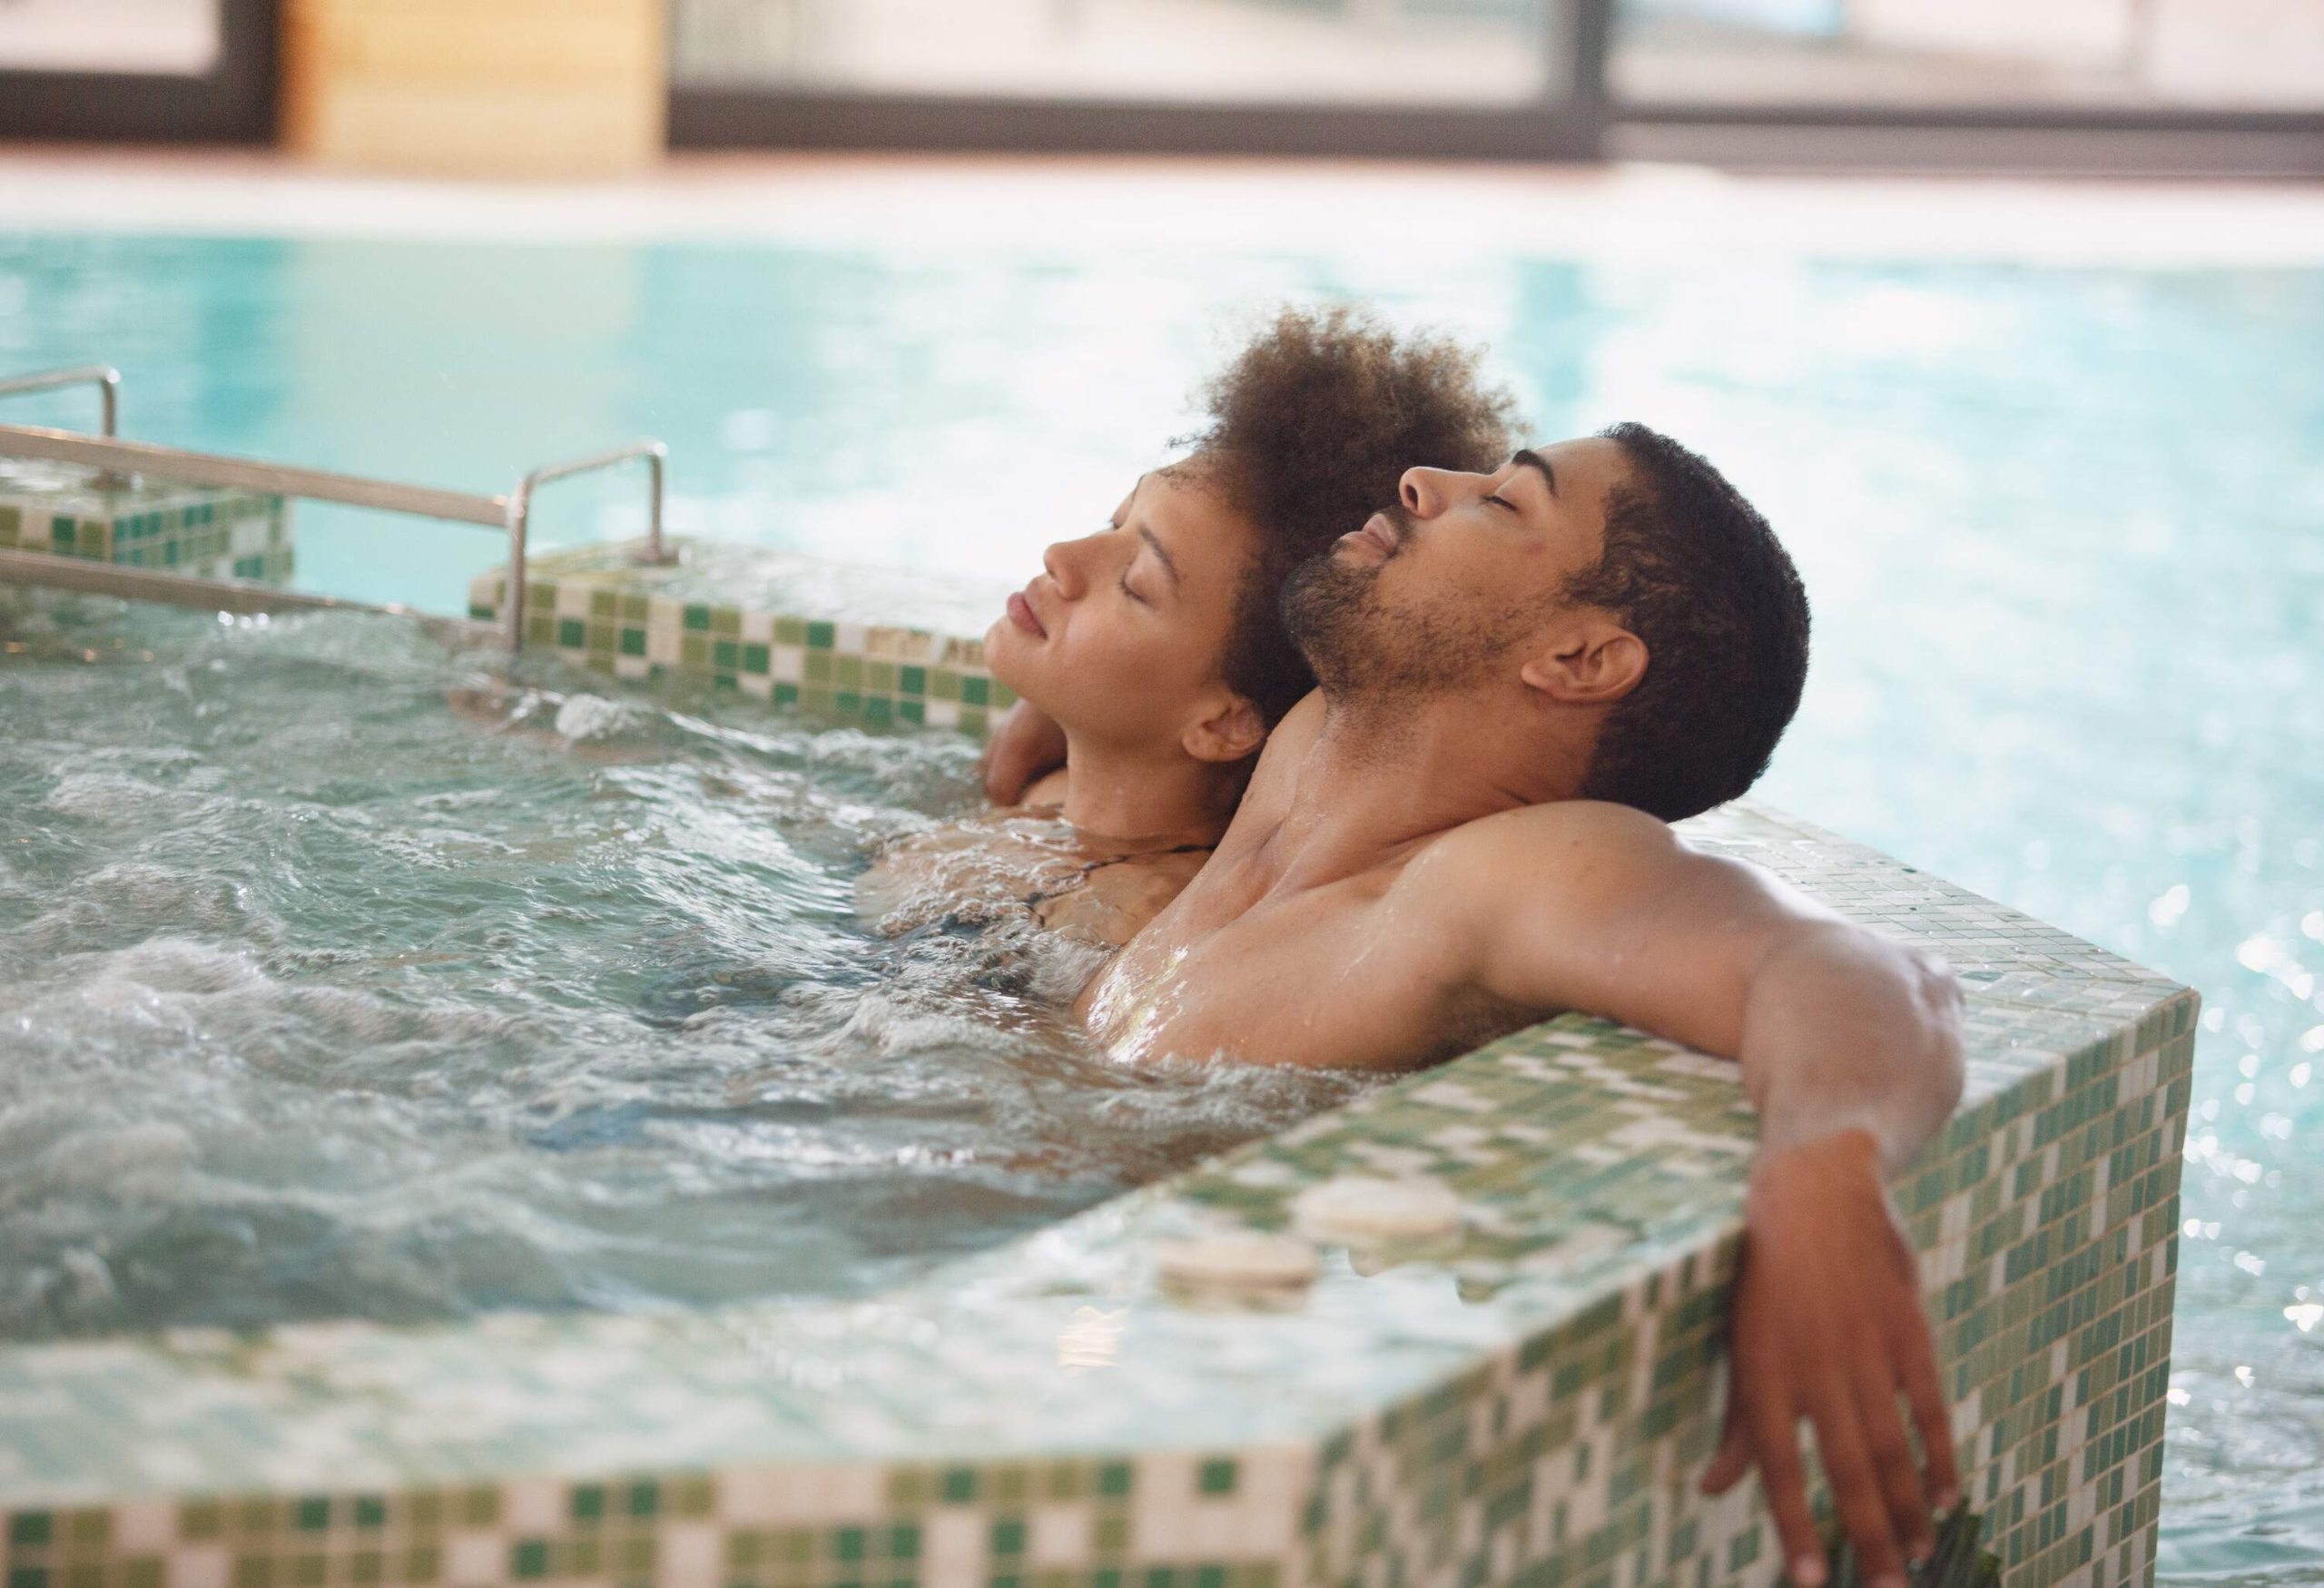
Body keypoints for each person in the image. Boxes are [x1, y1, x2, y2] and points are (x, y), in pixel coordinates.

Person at [1035, 427, 1965, 1588]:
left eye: (1507, 499)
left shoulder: (1498, 879)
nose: (1424, 480)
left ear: (1578, 660)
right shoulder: (1321, 737)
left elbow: (1867, 975)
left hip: (1132, 1343)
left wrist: (1827, 1164)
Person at [859, 306, 1516, 947]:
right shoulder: (1045, 795)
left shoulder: (1128, 927)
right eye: (1114, 522)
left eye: (1137, 582)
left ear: (1225, 723)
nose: (1062, 555)